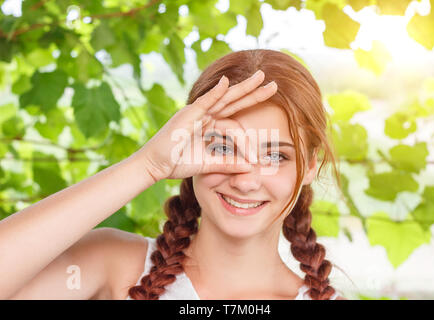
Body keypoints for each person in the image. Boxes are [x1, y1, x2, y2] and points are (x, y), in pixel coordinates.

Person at [0, 49, 345, 300]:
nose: (245, 180)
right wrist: (148, 166)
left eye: (275, 155)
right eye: (223, 148)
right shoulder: (113, 265)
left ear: (311, 165)